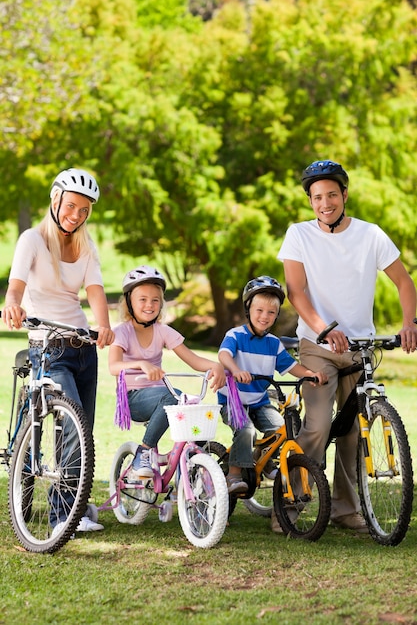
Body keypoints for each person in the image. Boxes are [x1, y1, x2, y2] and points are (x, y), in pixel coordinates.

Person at [278, 159, 417, 533]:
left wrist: (409, 323)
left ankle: (344, 508)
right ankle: (290, 503)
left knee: (355, 432)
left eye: (332, 195)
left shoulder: (370, 235)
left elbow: (404, 282)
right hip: (317, 346)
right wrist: (325, 329)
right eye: (317, 197)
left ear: (345, 195)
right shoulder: (299, 235)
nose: (326, 203)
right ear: (310, 200)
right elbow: (296, 291)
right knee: (319, 425)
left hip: (360, 349)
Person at [2, 167, 115, 534]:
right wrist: (13, 304)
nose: (76, 215)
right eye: (71, 206)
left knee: (81, 429)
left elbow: (95, 290)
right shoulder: (32, 240)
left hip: (82, 345)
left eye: (84, 210)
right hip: (48, 346)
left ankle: (71, 506)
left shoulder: (86, 245)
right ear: (55, 200)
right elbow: (16, 285)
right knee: (72, 423)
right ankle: (60, 518)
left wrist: (105, 325)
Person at [108, 265, 226, 481]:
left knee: (187, 405)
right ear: (129, 302)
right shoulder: (122, 331)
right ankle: (143, 452)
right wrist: (141, 364)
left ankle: (189, 472)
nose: (149, 305)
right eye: (142, 299)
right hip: (132, 398)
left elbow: (193, 359)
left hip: (162, 396)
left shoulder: (162, 330)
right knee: (174, 396)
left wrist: (215, 366)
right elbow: (113, 366)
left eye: (155, 300)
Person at [217, 276, 327, 495]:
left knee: (282, 429)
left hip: (259, 400)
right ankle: (234, 475)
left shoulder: (273, 343)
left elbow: (291, 366)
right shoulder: (235, 335)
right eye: (259, 311)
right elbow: (223, 355)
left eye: (271, 313)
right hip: (233, 400)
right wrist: (236, 370)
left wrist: (310, 374)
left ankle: (264, 459)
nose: (264, 317)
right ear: (249, 309)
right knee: (246, 430)